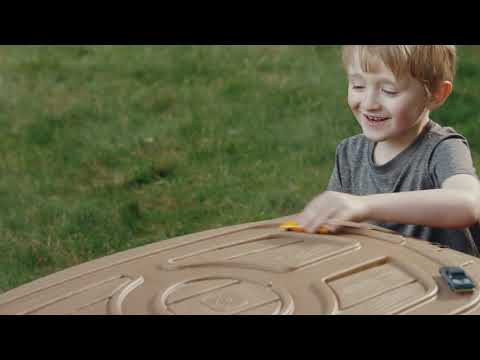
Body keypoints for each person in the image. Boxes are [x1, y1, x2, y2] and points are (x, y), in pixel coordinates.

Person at [295, 45, 480, 256]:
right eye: (358, 86)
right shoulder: (349, 153)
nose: (370, 103)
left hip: (444, 283)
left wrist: (364, 205)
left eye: (389, 91)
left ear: (436, 94)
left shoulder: (442, 148)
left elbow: (468, 203)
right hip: (378, 279)